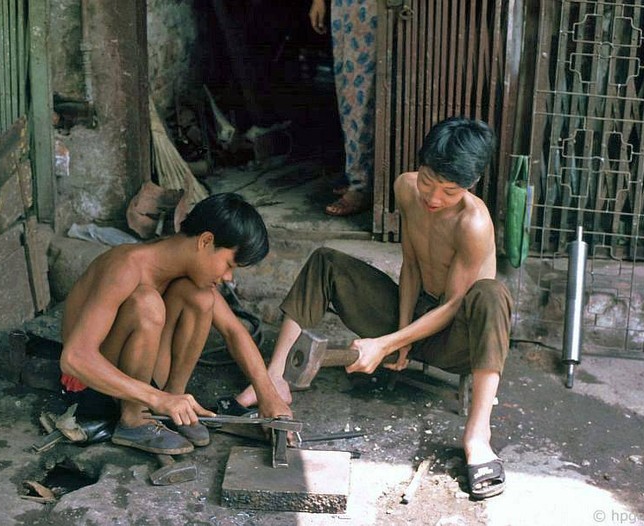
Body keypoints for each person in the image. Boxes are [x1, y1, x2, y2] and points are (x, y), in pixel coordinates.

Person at [232, 118, 511, 499]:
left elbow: (450, 307)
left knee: (492, 295)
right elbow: (410, 265)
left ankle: (478, 435)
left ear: (470, 185)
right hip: (414, 314)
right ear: (420, 165)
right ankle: (275, 377)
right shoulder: (405, 187)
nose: (433, 197)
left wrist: (384, 343)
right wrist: (399, 338)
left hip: (456, 335)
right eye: (428, 180)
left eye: (449, 191)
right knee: (326, 262)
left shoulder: (473, 223)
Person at [59, 193, 292, 455]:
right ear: (205, 241)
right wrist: (158, 399)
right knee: (147, 302)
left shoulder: (183, 271)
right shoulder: (126, 266)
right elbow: (75, 358)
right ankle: (135, 419)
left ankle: (174, 411)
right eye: (229, 264)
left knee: (201, 298)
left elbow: (233, 331)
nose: (228, 277)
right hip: (94, 386)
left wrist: (268, 396)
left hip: (143, 384)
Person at [309, 0, 378, 216]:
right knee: (353, 90)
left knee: (370, 88)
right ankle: (361, 178)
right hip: (349, 7)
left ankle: (366, 182)